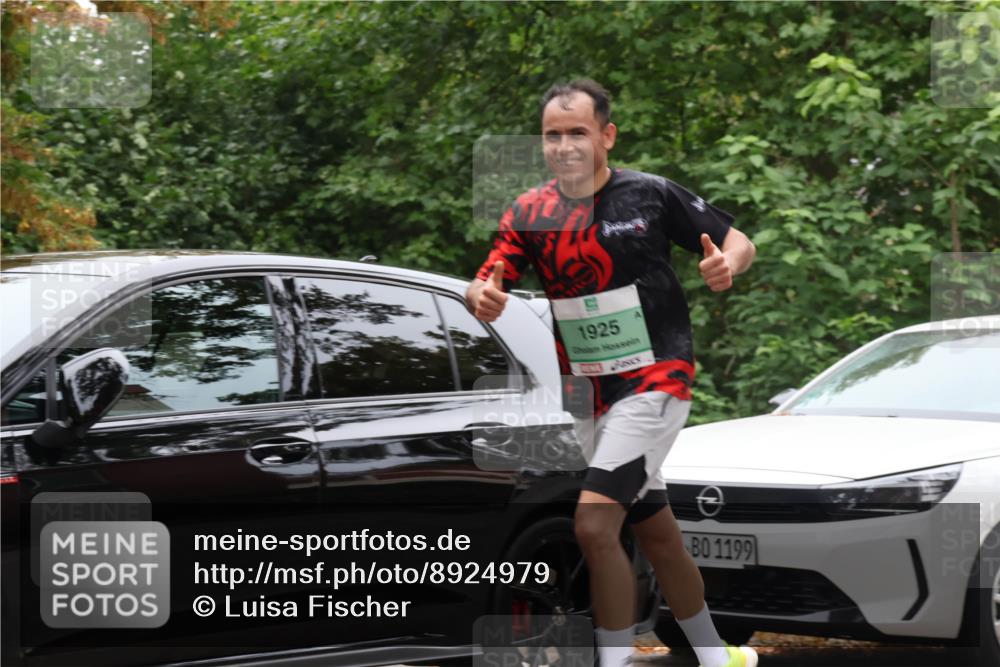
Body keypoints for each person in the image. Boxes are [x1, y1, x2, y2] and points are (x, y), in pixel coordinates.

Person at [466, 79, 758, 667]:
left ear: (607, 135)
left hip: (656, 380)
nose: (564, 146)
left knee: (595, 525)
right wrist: (482, 296)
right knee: (656, 530)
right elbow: (487, 279)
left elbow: (738, 241)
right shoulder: (530, 212)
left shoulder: (649, 194)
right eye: (552, 135)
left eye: (577, 132)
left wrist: (726, 263)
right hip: (586, 393)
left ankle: (613, 660)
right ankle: (715, 655)